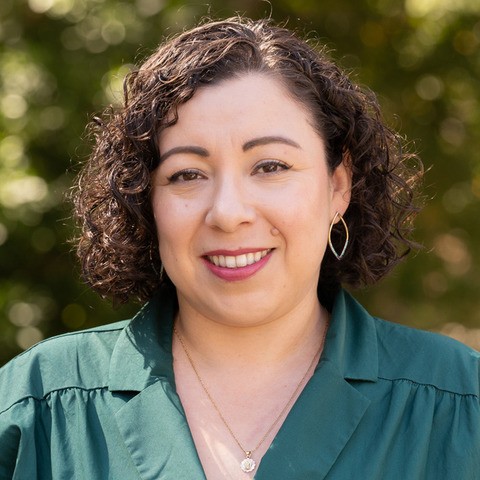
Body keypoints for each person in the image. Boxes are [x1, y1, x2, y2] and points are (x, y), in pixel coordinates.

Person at [0, 16, 478, 480]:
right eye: (187, 174)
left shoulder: (462, 404)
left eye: (270, 166)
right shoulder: (34, 407)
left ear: (338, 187)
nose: (228, 213)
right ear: (145, 200)